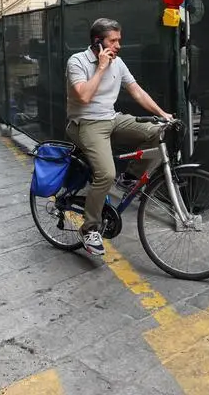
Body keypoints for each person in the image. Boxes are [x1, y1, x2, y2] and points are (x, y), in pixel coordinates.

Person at [65, 18, 173, 256]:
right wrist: (101, 67)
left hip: (111, 118)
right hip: (86, 123)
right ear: (97, 42)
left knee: (159, 132)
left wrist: (163, 114)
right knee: (105, 174)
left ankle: (130, 177)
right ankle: (89, 228)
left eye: (119, 40)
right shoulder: (77, 62)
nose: (118, 45)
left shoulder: (119, 63)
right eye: (113, 41)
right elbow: (83, 96)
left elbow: (136, 91)